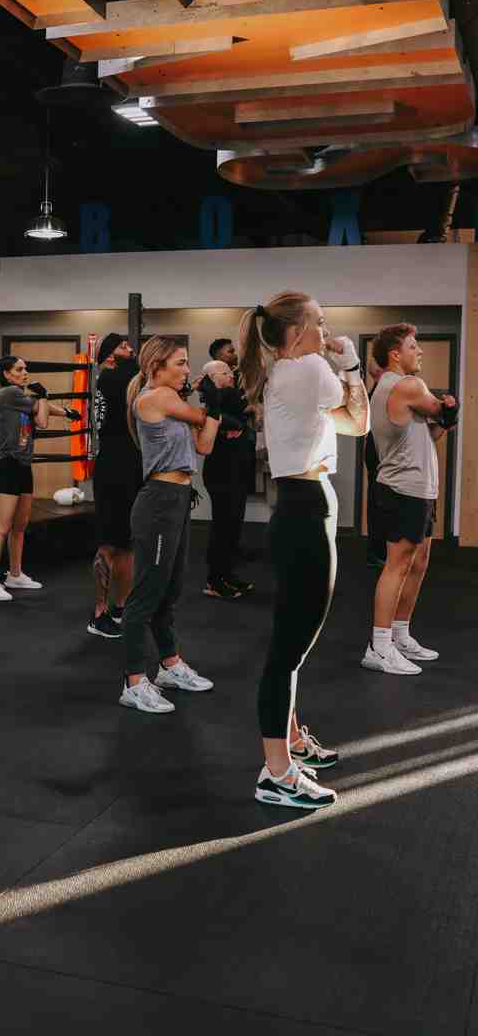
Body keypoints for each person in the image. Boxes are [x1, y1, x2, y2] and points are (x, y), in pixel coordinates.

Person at [239, 293, 369, 809]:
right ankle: (276, 773)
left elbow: (344, 422)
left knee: (291, 640)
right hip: (305, 507)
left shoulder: (290, 372)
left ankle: (291, 742)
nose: (326, 328)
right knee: (289, 650)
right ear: (296, 332)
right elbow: (359, 421)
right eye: (319, 321)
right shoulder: (311, 367)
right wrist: (353, 363)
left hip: (300, 503)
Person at [119, 337, 221, 714]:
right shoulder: (155, 397)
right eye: (180, 363)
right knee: (146, 594)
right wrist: (211, 401)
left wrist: (217, 406)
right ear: (156, 367)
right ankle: (133, 681)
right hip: (159, 502)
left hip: (178, 500)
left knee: (169, 589)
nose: (187, 369)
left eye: (187, 363)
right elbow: (200, 420)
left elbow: (205, 445)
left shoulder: (173, 403)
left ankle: (170, 665)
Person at [362, 324, 458, 675]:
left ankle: (400, 635)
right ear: (395, 354)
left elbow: (431, 432)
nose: (419, 352)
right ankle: (380, 646)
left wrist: (446, 417)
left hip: (418, 490)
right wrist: (448, 407)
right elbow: (441, 409)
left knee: (418, 564)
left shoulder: (393, 389)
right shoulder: (406, 385)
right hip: (403, 490)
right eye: (413, 347)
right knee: (397, 566)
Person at [0, 356, 78, 600]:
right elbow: (42, 420)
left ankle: (14, 574)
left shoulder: (21, 398)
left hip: (24, 466)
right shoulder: (7, 393)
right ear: (6, 374)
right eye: (19, 369)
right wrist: (46, 396)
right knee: (2, 526)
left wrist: (66, 411)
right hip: (9, 465)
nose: (25, 373)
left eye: (26, 369)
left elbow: (39, 408)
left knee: (20, 526)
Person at [88, 333, 141, 639]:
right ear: (109, 355)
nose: (130, 350)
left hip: (130, 466)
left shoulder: (123, 377)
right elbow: (139, 369)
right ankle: (99, 613)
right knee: (109, 543)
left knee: (127, 543)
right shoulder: (110, 377)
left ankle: (121, 607)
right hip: (111, 468)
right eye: (123, 346)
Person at [200, 359, 256, 599]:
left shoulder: (228, 397)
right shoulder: (214, 399)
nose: (231, 375)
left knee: (233, 527)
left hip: (238, 470)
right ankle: (215, 580)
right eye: (225, 373)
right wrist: (238, 421)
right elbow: (219, 416)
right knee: (222, 528)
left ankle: (227, 575)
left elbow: (247, 416)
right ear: (213, 378)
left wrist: (242, 424)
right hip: (221, 473)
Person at [365, 358, 387, 568]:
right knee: (378, 504)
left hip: (379, 455)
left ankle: (379, 551)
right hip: (378, 457)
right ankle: (378, 552)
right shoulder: (378, 392)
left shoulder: (378, 391)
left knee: (378, 503)